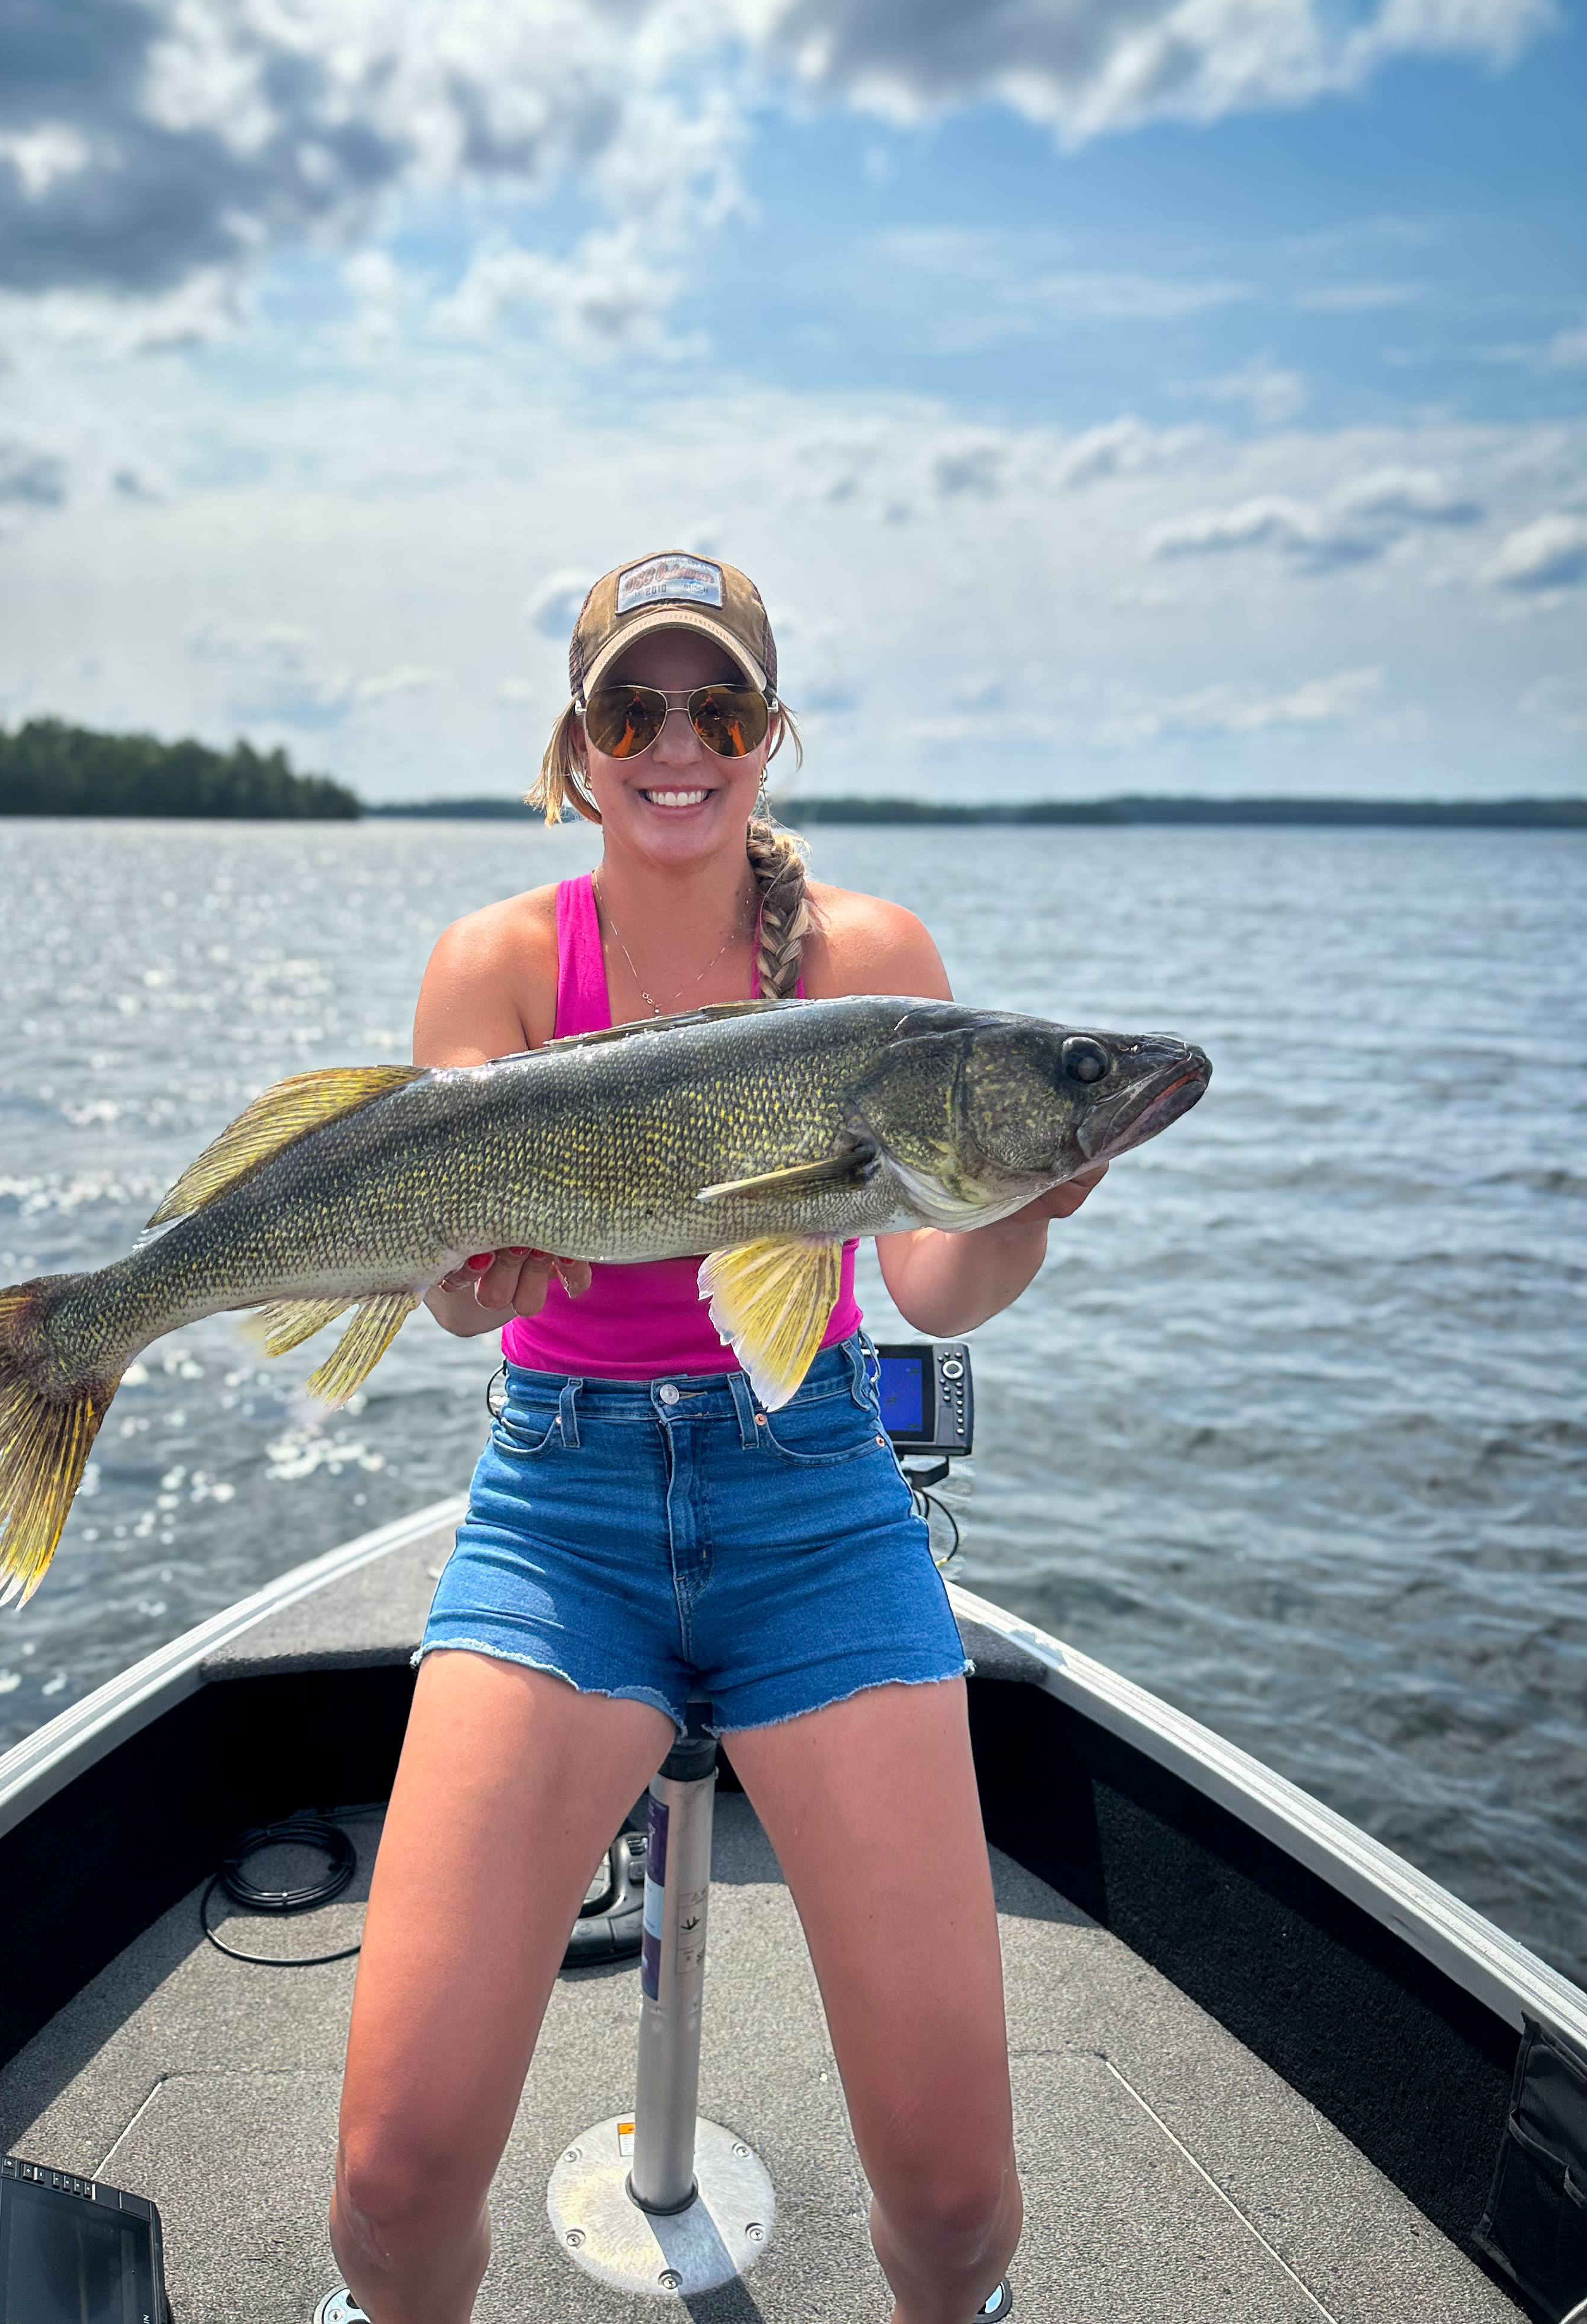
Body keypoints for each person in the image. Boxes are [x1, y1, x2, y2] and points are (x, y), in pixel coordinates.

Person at [330, 549, 1105, 2324]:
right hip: (560, 1508)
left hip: (817, 1507)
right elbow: (457, 1299)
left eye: (720, 707)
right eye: (635, 708)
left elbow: (930, 1283)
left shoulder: (879, 967)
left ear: (771, 738)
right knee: (388, 2193)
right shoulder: (498, 959)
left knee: (966, 2206)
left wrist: (1034, 1187)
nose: (677, 742)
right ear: (579, 745)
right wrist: (461, 1281)